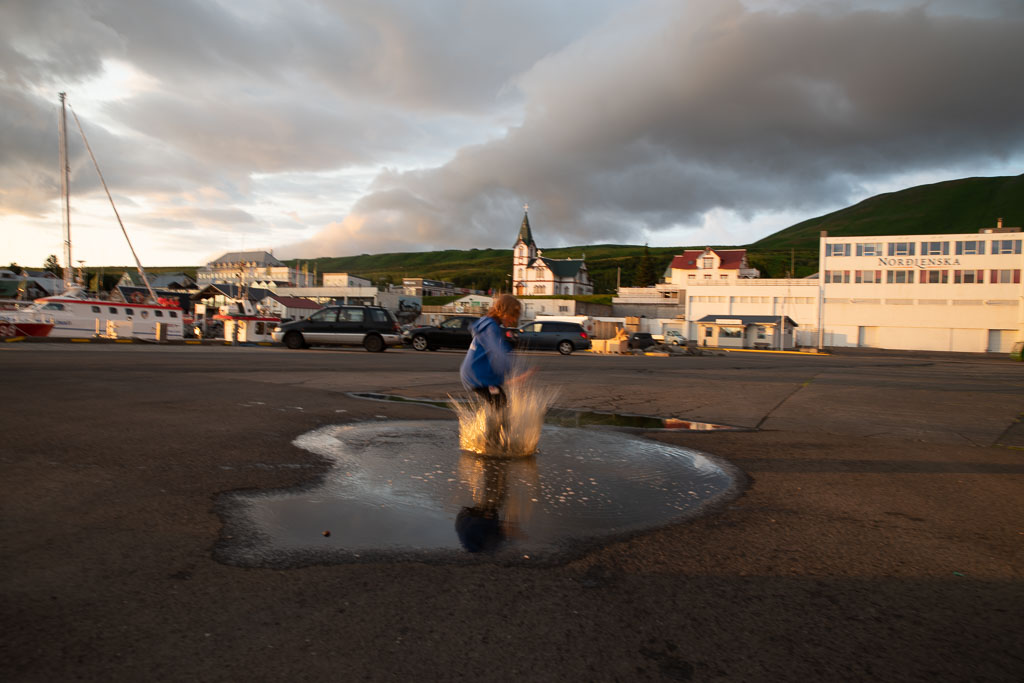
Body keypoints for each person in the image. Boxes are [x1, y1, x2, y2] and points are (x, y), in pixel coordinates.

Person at [459, 293, 523, 408]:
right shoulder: (491, 327)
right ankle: (497, 426)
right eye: (513, 315)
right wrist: (511, 371)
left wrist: (507, 348)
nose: (514, 320)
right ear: (504, 311)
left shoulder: (488, 323)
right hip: (477, 376)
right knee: (500, 403)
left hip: (475, 373)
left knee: (499, 402)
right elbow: (495, 351)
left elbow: (493, 347)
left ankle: (491, 424)